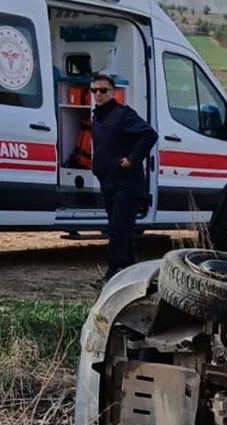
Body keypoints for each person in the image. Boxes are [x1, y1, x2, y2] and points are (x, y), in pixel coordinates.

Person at [89, 74, 157, 283]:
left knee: (118, 230)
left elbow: (149, 135)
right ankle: (131, 274)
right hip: (109, 183)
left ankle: (113, 274)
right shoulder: (97, 118)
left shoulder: (123, 114)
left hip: (127, 185)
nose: (98, 95)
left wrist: (132, 160)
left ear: (113, 92)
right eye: (94, 91)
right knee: (120, 230)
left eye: (103, 90)